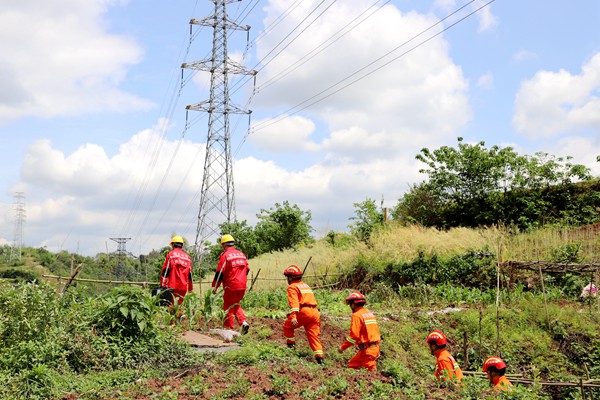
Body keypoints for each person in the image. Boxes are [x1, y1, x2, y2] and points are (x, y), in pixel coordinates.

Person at [282, 265, 325, 365]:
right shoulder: (305, 285)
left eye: (287, 277)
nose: (287, 280)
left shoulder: (292, 287)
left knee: (287, 327)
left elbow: (294, 303)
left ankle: (291, 350)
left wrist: (293, 316)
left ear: (291, 278)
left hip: (304, 312)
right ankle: (320, 360)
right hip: (315, 312)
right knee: (313, 336)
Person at [211, 234, 250, 334]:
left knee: (228, 307)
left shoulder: (225, 256)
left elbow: (220, 272)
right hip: (242, 285)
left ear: (224, 245)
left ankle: (228, 330)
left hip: (231, 285)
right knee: (236, 304)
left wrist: (214, 287)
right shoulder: (241, 254)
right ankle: (243, 322)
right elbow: (247, 269)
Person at [337, 291, 381, 371]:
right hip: (371, 348)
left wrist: (342, 348)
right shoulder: (369, 314)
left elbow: (354, 336)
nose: (350, 307)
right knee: (352, 366)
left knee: (371, 374)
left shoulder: (357, 315)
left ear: (353, 304)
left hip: (368, 351)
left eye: (350, 304)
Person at [159, 235, 193, 306]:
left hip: (172, 286)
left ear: (173, 245)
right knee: (179, 306)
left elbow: (166, 271)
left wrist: (162, 284)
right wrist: (190, 287)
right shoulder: (187, 257)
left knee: (171, 307)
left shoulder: (170, 255)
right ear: (182, 245)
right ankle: (179, 316)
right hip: (183, 287)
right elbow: (190, 274)